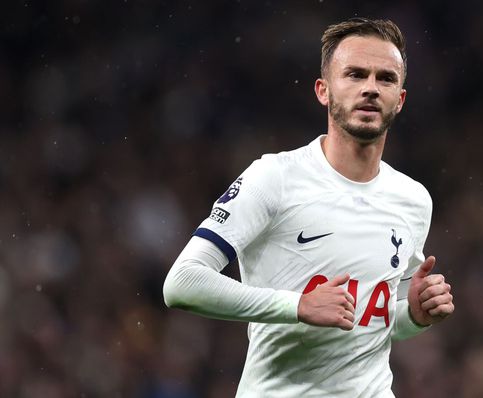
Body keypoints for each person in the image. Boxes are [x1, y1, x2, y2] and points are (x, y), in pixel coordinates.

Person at [163, 17, 454, 397]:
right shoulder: (274, 177)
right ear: (324, 90)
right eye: (354, 74)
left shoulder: (413, 199)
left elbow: (372, 327)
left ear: (399, 99)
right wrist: (297, 305)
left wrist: (414, 316)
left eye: (385, 78)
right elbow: (182, 284)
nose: (370, 88)